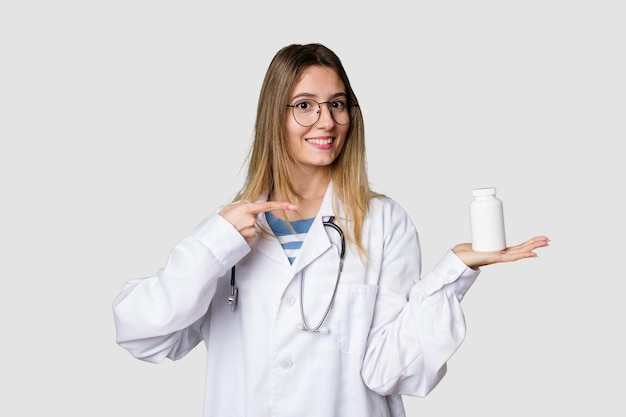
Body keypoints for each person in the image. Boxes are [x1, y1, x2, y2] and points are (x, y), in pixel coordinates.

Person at [112, 43, 549, 417]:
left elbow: (389, 370)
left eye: (337, 104)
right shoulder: (229, 232)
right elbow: (143, 334)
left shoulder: (382, 222)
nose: (325, 121)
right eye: (304, 105)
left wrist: (452, 273)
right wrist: (213, 246)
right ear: (274, 117)